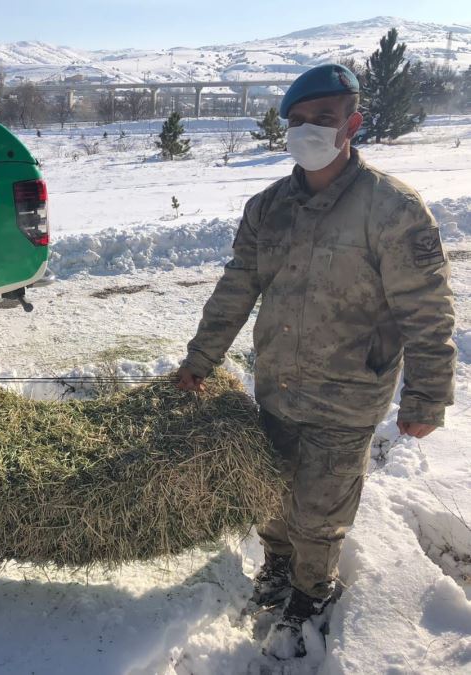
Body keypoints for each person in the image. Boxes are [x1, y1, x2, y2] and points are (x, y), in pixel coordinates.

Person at [176, 64, 455, 659]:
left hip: (350, 390)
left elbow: (427, 311)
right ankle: (277, 567)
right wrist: (200, 360)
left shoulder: (393, 209)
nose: (308, 131)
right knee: (270, 491)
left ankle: (312, 592)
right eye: (297, 121)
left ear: (352, 123)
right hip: (277, 382)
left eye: (323, 120)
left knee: (320, 508)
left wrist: (427, 395)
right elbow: (236, 288)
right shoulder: (267, 207)